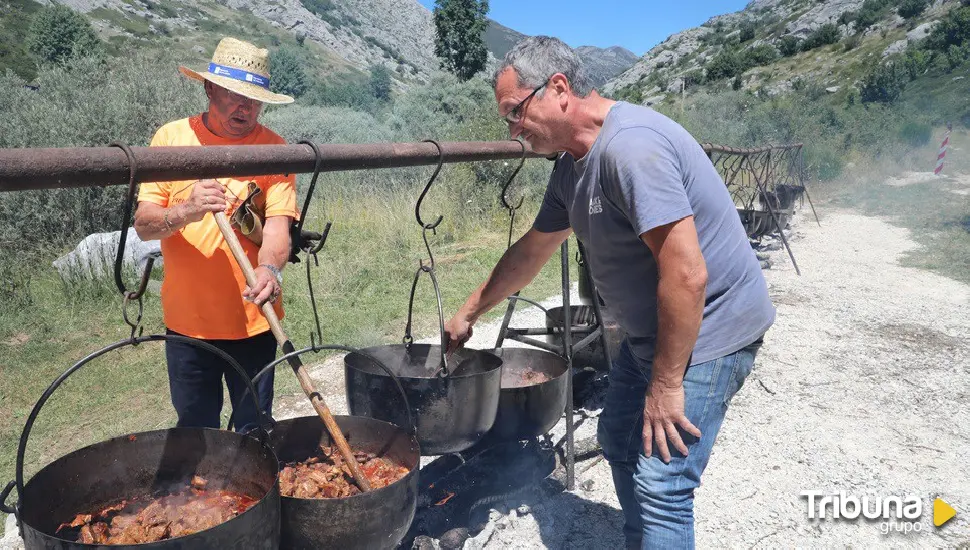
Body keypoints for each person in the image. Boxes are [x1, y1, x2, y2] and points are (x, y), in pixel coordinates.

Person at [444, 36, 775, 549]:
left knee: (664, 483)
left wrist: (665, 387)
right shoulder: (570, 168)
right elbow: (530, 252)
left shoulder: (630, 149)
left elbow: (687, 275)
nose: (511, 129)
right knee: (619, 443)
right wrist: (469, 310)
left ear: (558, 89)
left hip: (709, 331)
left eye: (514, 111)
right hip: (652, 336)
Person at [134, 37, 298, 433]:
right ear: (209, 88)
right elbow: (144, 225)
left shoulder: (276, 150)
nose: (245, 108)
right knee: (197, 432)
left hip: (255, 321)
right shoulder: (171, 140)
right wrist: (186, 210)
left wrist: (270, 272)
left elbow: (278, 228)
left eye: (254, 99)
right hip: (188, 327)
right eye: (234, 95)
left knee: (254, 430)